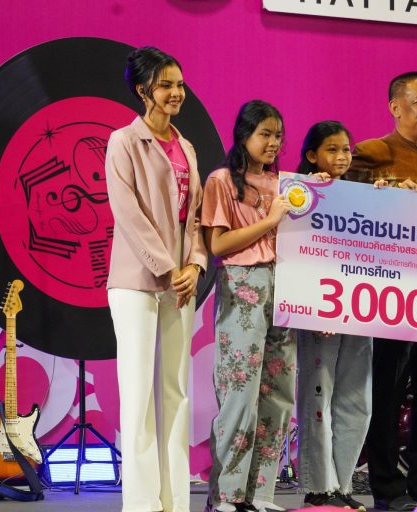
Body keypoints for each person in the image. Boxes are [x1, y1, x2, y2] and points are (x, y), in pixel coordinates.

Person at [346, 71, 417, 511]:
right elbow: (338, 200)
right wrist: (385, 191)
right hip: (388, 293)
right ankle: (387, 488)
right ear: (395, 107)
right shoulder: (371, 153)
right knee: (387, 393)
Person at [105, 46, 207, 512]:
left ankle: (175, 501)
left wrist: (196, 265)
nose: (176, 92)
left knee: (176, 391)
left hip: (181, 282)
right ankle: (143, 503)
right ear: (143, 89)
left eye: (179, 84)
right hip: (137, 282)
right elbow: (127, 212)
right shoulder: (123, 142)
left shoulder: (186, 147)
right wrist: (168, 267)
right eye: (166, 84)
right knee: (138, 393)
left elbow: (196, 217)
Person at [201, 100, 295, 512]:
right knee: (239, 392)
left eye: (278, 136)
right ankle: (227, 495)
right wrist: (269, 221)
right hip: (243, 285)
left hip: (286, 286)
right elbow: (218, 245)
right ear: (244, 135)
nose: (273, 143)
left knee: (279, 393)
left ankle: (261, 494)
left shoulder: (284, 184)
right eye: (265, 134)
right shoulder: (222, 181)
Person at [294, 121, 375, 511]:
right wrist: (314, 304)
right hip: (320, 310)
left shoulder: (360, 195)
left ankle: (341, 484)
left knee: (357, 400)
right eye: (332, 149)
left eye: (346, 149)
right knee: (319, 395)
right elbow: (300, 252)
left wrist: (385, 198)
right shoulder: (299, 195)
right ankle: (318, 485)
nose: (342, 157)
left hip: (359, 308)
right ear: (312, 155)